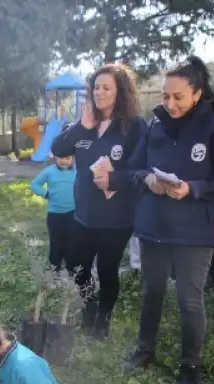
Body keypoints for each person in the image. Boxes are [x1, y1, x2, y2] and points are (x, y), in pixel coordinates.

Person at [106, 56, 214, 384]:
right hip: (154, 224)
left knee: (189, 298)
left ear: (197, 93)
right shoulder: (155, 124)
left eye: (178, 97)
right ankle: (145, 349)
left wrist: (193, 188)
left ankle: (190, 366)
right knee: (151, 291)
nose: (169, 103)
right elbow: (134, 167)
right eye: (165, 96)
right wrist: (147, 180)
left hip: (195, 230)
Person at [50, 63, 149, 340]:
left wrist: (115, 180)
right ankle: (90, 305)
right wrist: (82, 126)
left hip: (117, 216)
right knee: (76, 265)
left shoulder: (135, 127)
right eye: (96, 87)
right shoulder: (84, 125)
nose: (100, 93)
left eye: (107, 88)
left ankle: (103, 317)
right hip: (84, 212)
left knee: (107, 268)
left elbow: (142, 169)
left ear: (121, 92)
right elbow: (58, 149)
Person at [29, 154, 77, 275]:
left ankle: (72, 270)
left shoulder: (77, 171)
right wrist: (45, 193)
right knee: (56, 243)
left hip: (73, 214)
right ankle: (54, 270)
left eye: (67, 158)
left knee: (71, 243)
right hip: (55, 215)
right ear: (55, 157)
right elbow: (34, 185)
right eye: (61, 157)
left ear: (73, 159)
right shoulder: (49, 171)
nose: (64, 161)